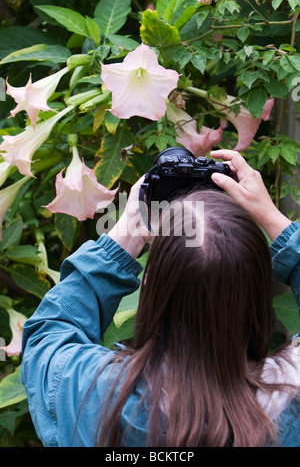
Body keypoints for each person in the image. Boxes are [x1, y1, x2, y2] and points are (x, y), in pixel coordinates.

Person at [21, 149, 300, 447]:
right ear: (259, 293)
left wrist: (128, 229)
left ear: (149, 282)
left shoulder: (91, 391)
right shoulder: (290, 395)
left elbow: (47, 335)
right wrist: (271, 218)